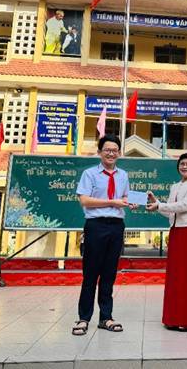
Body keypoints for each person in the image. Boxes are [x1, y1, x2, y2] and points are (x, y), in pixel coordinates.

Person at [72, 134, 137, 336]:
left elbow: (124, 196)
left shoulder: (123, 175)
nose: (111, 153)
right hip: (96, 226)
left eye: (114, 150)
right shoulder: (90, 174)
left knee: (109, 274)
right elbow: (84, 200)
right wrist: (112, 202)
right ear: (99, 152)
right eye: (107, 150)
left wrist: (131, 201)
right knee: (91, 274)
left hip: (116, 226)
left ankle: (106, 318)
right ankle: (83, 318)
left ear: (119, 153)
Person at [146, 153, 187, 331]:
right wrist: (156, 204)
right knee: (176, 275)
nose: (184, 166)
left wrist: (160, 205)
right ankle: (173, 318)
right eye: (182, 163)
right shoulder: (175, 186)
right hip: (176, 231)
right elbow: (170, 212)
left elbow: (185, 206)